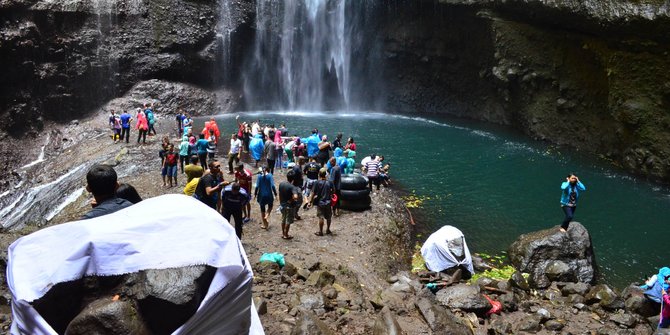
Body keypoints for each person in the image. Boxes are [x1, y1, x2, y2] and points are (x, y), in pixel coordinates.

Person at [307, 168, 334, 236]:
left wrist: (310, 201)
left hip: (320, 202)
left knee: (321, 217)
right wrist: (330, 194)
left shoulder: (317, 182)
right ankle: (328, 230)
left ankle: (321, 232)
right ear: (326, 174)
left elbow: (313, 193)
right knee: (329, 217)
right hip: (328, 202)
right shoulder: (330, 182)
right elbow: (334, 191)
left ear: (319, 174)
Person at [279, 169, 300, 240]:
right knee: (288, 220)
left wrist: (281, 202)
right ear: (293, 179)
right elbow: (296, 197)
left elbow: (279, 193)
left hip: (282, 205)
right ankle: (286, 234)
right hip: (289, 206)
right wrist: (291, 200)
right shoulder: (292, 187)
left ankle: (283, 233)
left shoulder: (281, 184)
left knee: (283, 219)